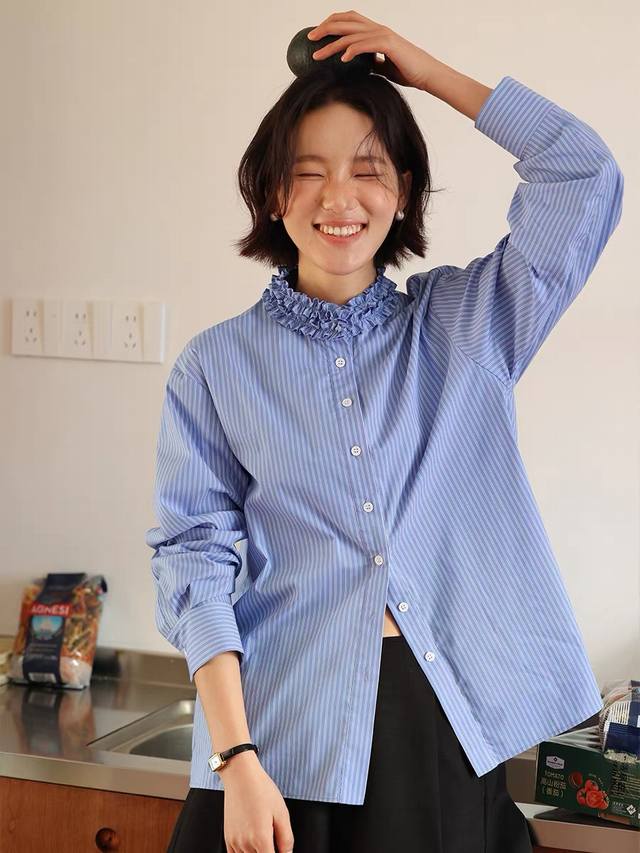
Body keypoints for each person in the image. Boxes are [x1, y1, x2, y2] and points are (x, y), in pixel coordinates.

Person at [144, 10, 624, 853]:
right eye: (308, 173)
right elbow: (194, 565)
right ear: (272, 194)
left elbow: (584, 175)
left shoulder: (467, 329)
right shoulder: (215, 366)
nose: (339, 197)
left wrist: (425, 72)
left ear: (403, 191)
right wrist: (236, 759)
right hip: (277, 734)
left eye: (367, 170)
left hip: (436, 724)